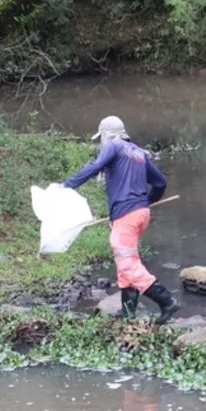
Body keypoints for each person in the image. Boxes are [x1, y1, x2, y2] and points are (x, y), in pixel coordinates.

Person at [61, 116, 181, 324]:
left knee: (127, 264)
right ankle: (128, 312)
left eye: (101, 138)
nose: (101, 143)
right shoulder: (139, 152)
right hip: (139, 214)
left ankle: (167, 301)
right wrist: (144, 202)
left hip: (127, 215)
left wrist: (66, 186)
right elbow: (160, 182)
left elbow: (94, 167)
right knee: (126, 260)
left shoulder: (114, 146)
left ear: (106, 135)